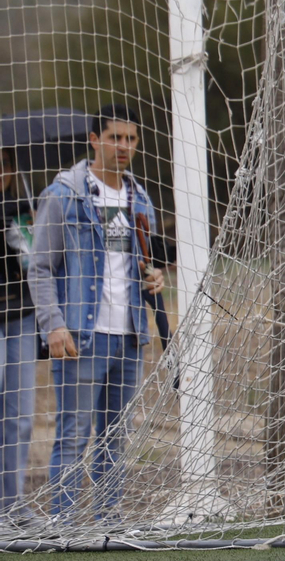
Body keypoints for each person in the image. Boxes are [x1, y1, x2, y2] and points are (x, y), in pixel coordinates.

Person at [28, 104, 165, 519]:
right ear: (94, 140)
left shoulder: (139, 198)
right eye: (114, 137)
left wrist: (154, 278)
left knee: (115, 436)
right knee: (73, 437)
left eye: (131, 139)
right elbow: (39, 268)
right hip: (80, 337)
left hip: (129, 336)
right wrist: (53, 325)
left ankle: (108, 519)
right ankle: (63, 523)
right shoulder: (63, 195)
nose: (123, 146)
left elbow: (141, 261)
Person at [0, 149, 37, 518]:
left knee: (20, 416)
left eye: (5, 164)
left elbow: (34, 261)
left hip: (21, 316)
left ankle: (13, 506)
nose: (1, 172)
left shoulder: (23, 205)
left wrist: (33, 226)